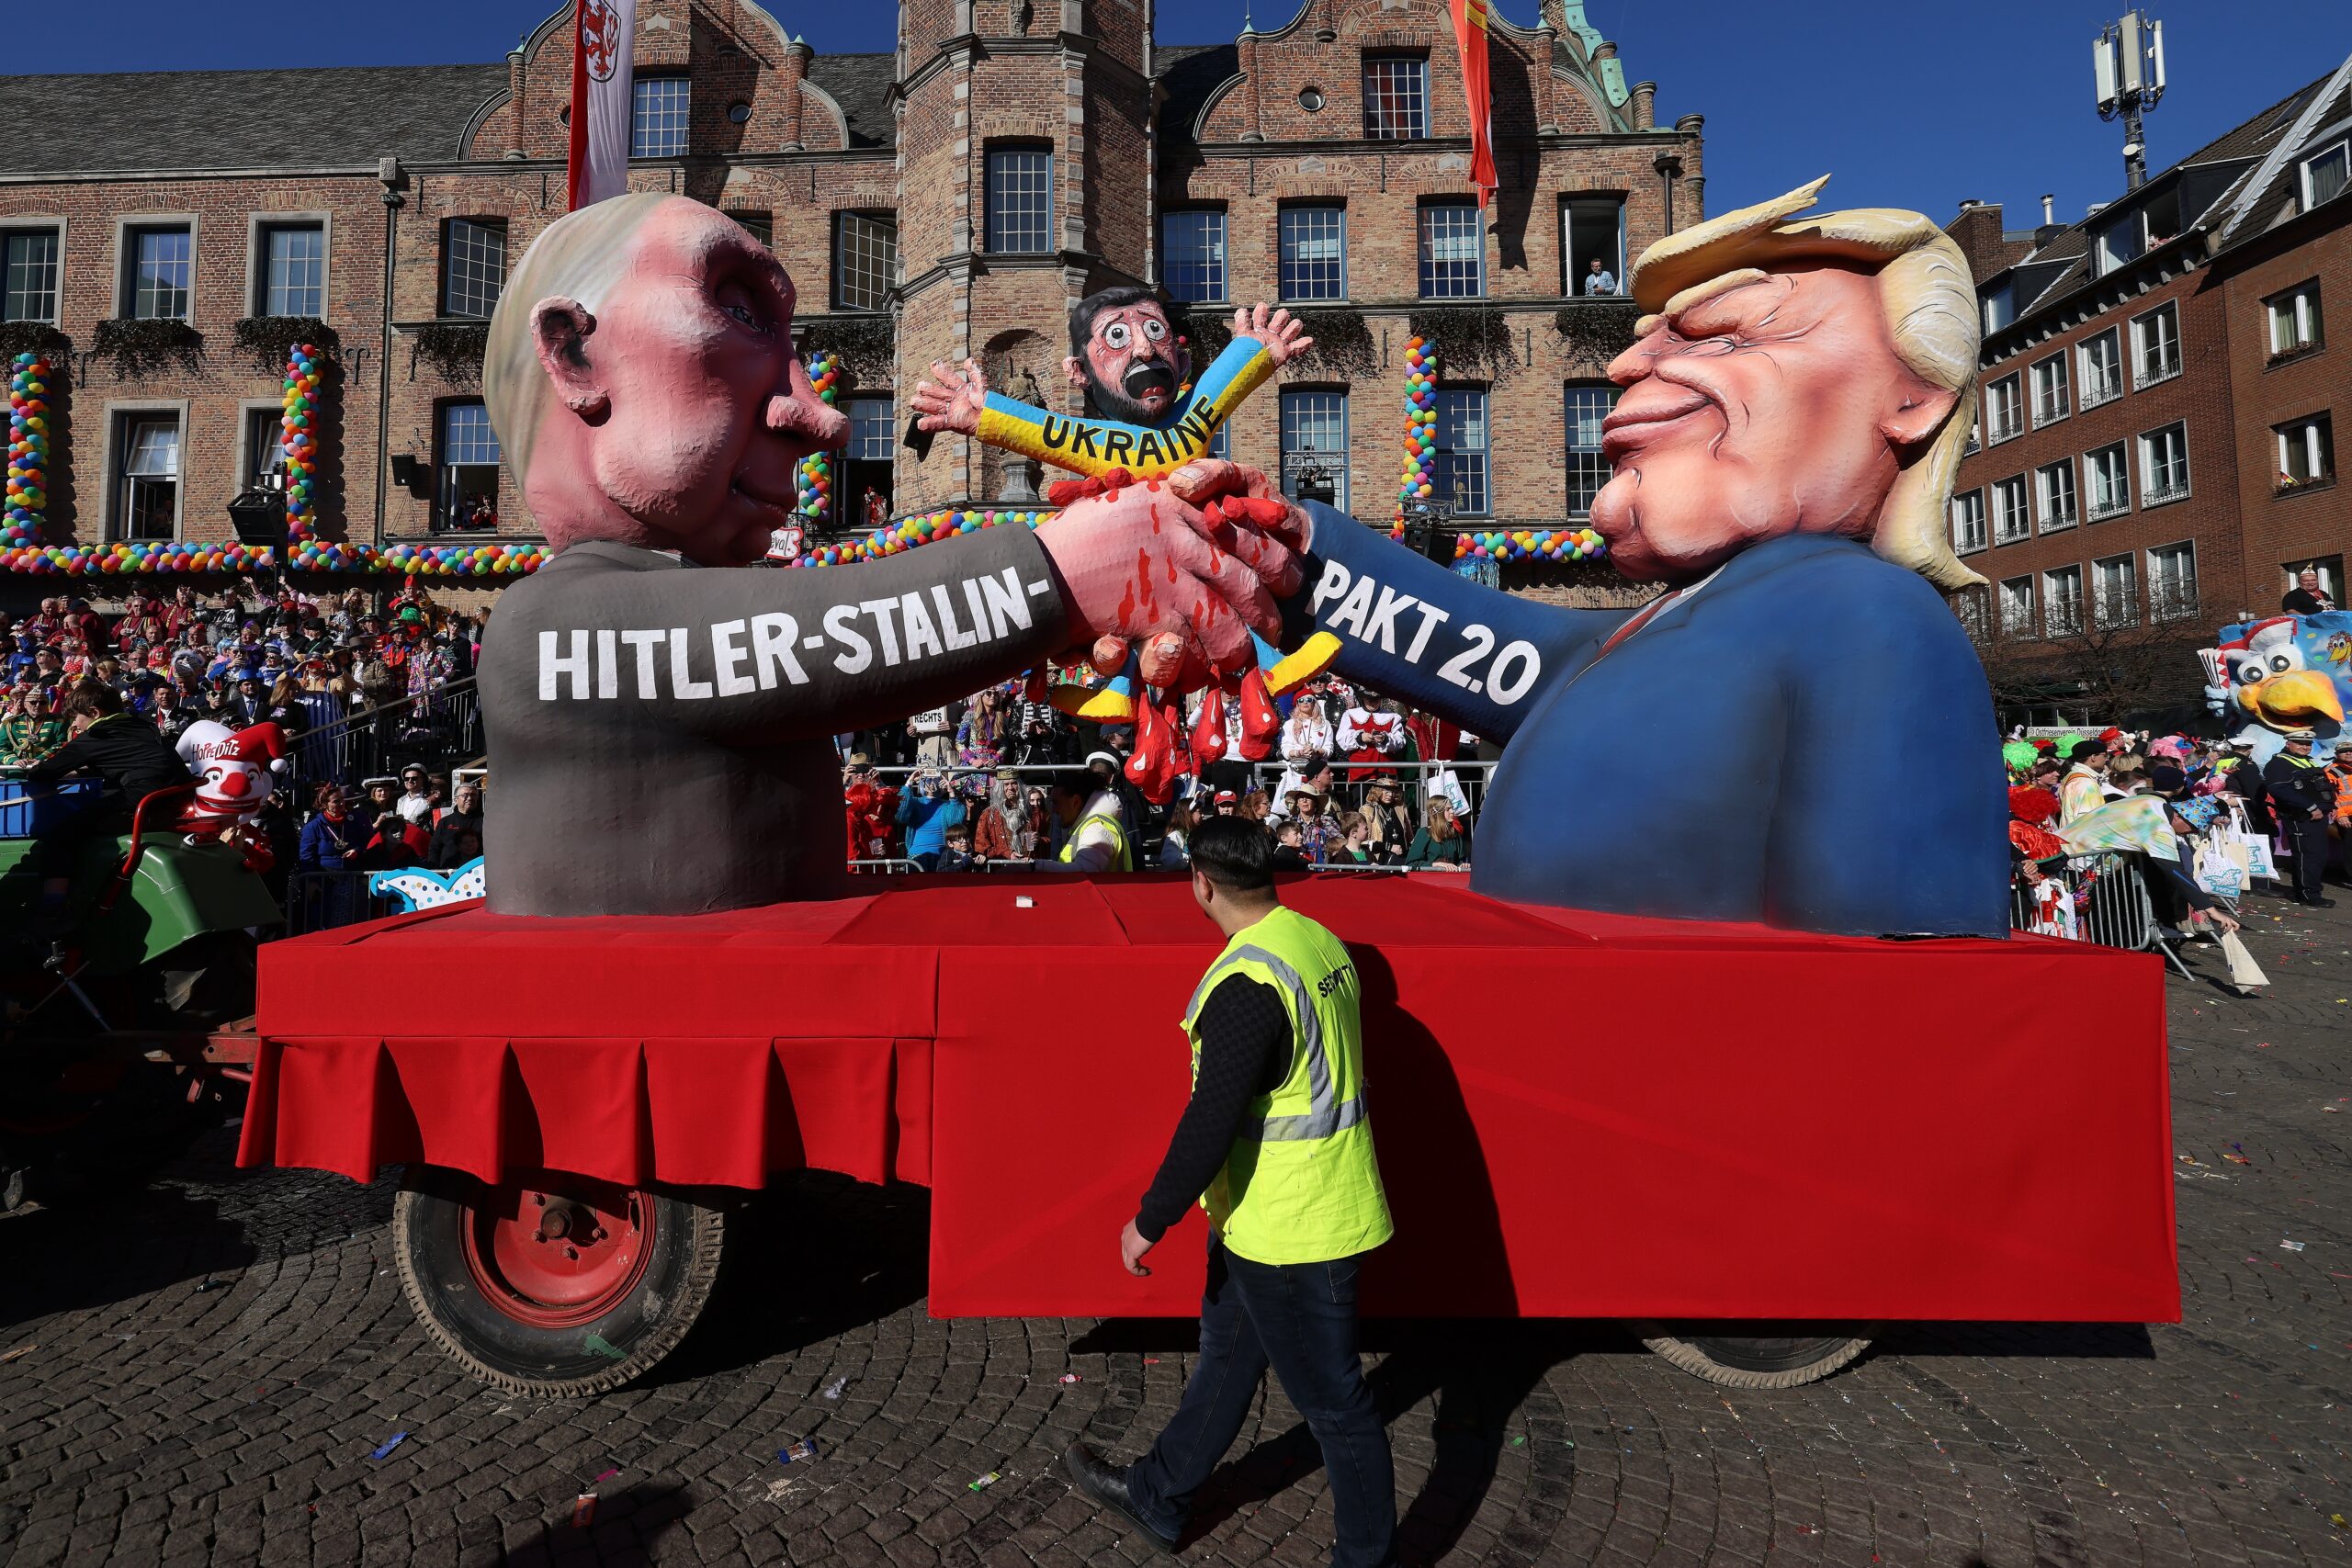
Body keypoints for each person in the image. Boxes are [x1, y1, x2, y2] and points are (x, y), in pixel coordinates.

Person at [469, 194, 1299, 915]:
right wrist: (1065, 570)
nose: (825, 419)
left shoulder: (680, 607)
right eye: (739, 310)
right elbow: (840, 633)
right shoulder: (545, 628)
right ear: (575, 355)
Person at [1063, 815, 1395, 1567]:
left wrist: (1150, 1220)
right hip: (1271, 1216)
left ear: (1202, 883)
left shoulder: (1247, 983)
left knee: (1337, 1407)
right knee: (1226, 1361)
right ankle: (1159, 1495)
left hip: (1296, 1229)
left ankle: (1370, 1557)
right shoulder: (1314, 940)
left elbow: (1210, 1119)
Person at [21, 680, 195, 921]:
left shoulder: (95, 736)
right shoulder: (141, 725)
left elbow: (43, 773)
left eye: (77, 718)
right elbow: (127, 759)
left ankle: (52, 911)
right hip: (177, 798)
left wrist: (34, 769)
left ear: (94, 713)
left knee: (62, 832)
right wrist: (82, 772)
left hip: (143, 803)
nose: (74, 724)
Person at [2264, 729, 2335, 907]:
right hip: (2301, 816)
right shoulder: (2279, 763)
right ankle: (2308, 895)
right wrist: (2310, 807)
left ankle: (2306, 891)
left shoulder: (2306, 761)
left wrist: (2329, 806)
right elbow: (2279, 789)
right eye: (2300, 743)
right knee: (2307, 856)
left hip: (2317, 817)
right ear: (2288, 744)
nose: (2305, 746)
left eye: (2308, 744)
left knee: (2317, 856)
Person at [1038, 755, 1134, 872]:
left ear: (1076, 802)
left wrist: (1037, 867)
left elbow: (1085, 872)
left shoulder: (1096, 828)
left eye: (1057, 803)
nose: (1054, 810)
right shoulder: (1091, 826)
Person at [896, 770, 967, 873]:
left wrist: (951, 792)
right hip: (916, 856)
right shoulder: (916, 803)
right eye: (928, 780)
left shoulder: (947, 806)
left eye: (936, 781)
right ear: (922, 783)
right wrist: (909, 782)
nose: (932, 784)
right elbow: (900, 814)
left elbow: (956, 822)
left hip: (940, 856)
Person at [428, 781, 485, 868]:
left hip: (477, 872)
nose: (469, 798)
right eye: (465, 795)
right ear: (455, 799)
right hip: (448, 873)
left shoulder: (485, 822)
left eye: (473, 795)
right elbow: (434, 848)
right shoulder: (445, 822)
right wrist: (434, 870)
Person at [1407, 797, 1470, 872]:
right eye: (1447, 809)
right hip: (1428, 879)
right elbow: (1411, 864)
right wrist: (1436, 864)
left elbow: (1459, 860)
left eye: (1452, 808)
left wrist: (1462, 865)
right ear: (1437, 812)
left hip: (1451, 880)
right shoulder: (1424, 833)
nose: (1452, 811)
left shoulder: (1455, 834)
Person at [1159, 800, 1199, 869]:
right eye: (1200, 812)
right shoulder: (1175, 835)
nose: (1203, 815)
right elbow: (1170, 860)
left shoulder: (1196, 832)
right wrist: (1190, 857)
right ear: (1188, 814)